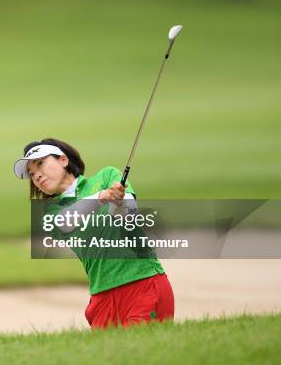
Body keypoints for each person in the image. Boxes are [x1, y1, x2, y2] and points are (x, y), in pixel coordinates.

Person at [13, 137, 174, 329]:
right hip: (102, 295)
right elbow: (66, 221)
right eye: (31, 174)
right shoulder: (51, 211)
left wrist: (120, 203)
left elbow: (131, 214)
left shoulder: (107, 176)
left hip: (143, 283)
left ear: (63, 160)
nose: (37, 175)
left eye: (41, 164)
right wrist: (102, 197)